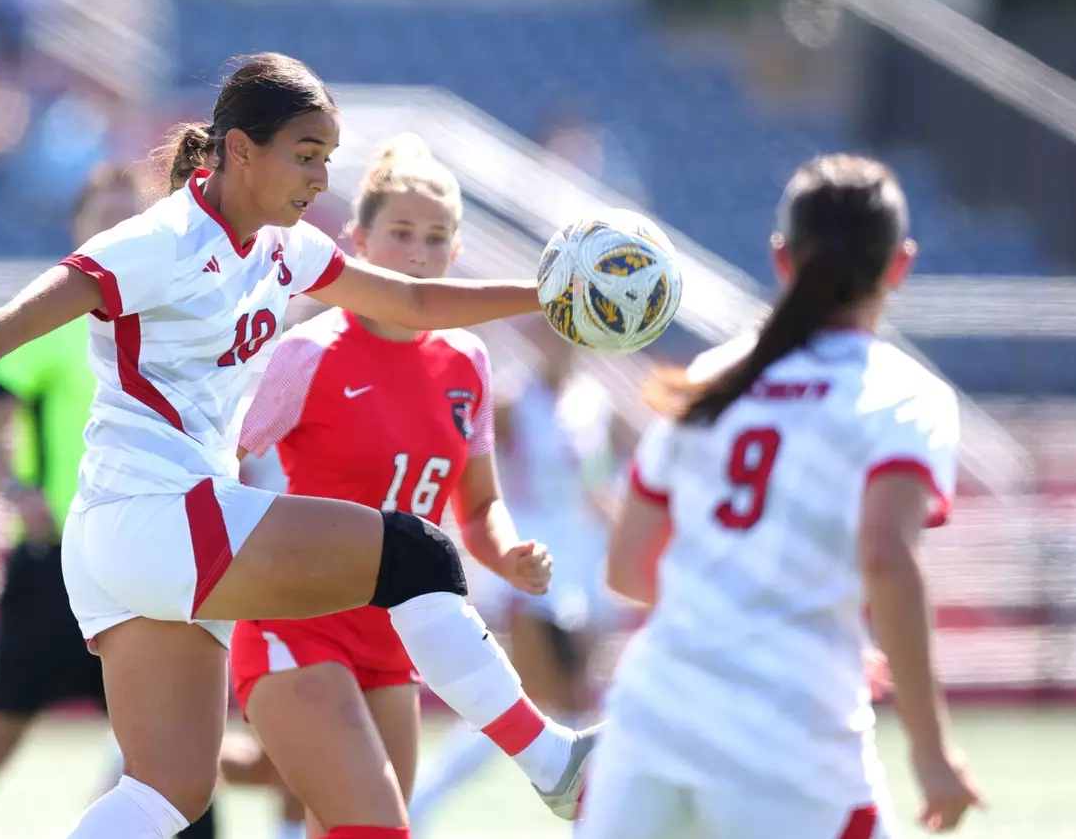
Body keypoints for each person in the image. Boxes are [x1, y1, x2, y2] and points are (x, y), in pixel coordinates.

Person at [0, 52, 594, 839]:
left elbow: (409, 298)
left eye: (327, 160)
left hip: (127, 536)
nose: (318, 179)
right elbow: (29, 307)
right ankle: (552, 763)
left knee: (170, 792)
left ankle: (552, 765)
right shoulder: (162, 237)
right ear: (240, 149)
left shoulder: (282, 246)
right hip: (157, 513)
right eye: (305, 156)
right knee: (419, 555)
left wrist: (547, 294)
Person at [580, 154, 985, 839]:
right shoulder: (904, 396)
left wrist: (730, 615)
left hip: (652, 722)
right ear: (900, 265)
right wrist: (931, 748)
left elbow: (626, 566)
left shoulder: (712, 379)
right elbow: (886, 559)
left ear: (780, 258)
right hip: (791, 739)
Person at [224, 135, 556, 836]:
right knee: (376, 830)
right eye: (400, 233)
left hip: (401, 638)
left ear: (457, 252)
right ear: (359, 242)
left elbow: (479, 504)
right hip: (296, 620)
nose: (418, 252)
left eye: (436, 238)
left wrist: (508, 555)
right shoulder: (310, 352)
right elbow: (222, 461)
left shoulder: (468, 360)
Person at [0, 163, 217, 839]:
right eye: (99, 219)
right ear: (76, 231)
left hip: (147, 561)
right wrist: (20, 495)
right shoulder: (53, 324)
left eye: (125, 219)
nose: (113, 231)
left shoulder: (170, 321)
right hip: (55, 570)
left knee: (177, 754)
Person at [408, 315, 625, 830]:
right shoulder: (509, 402)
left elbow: (595, 487)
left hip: (581, 571)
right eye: (556, 334)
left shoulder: (593, 404)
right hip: (531, 567)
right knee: (553, 707)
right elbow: (467, 469)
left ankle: (420, 806)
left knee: (533, 711)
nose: (564, 347)